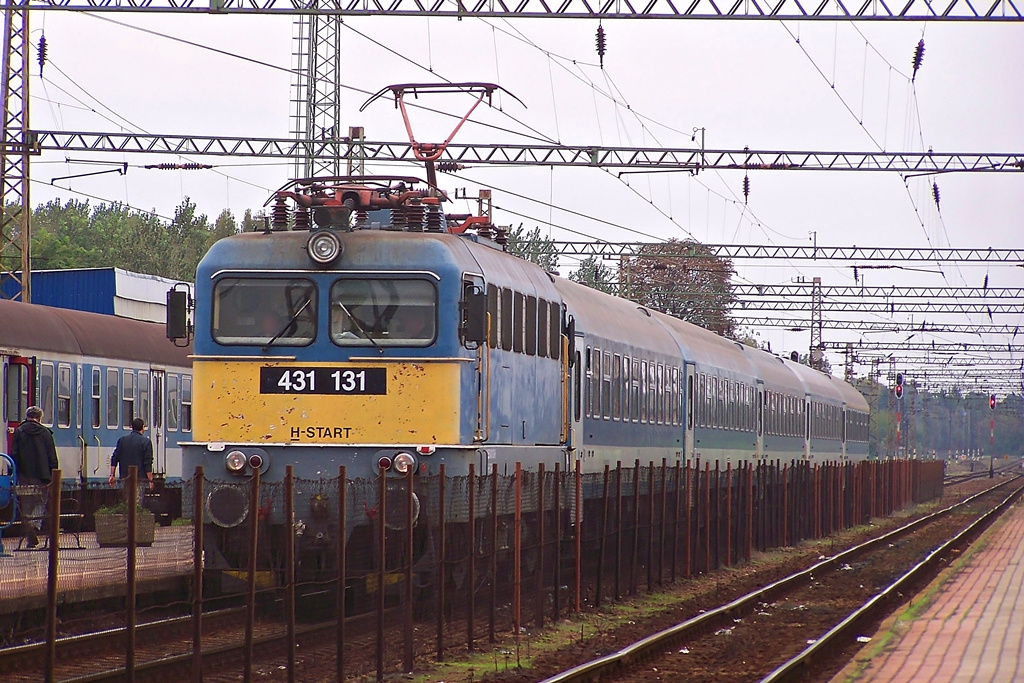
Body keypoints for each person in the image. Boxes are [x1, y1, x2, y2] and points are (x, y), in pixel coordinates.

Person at [10, 406, 58, 548]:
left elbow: (14, 453)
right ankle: (34, 524)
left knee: (26, 503)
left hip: (24, 475)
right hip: (42, 476)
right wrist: (53, 473)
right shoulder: (45, 433)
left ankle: (29, 530)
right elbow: (51, 456)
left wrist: (16, 471)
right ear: (39, 418)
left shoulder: (19, 431)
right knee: (41, 502)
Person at [109, 418, 155, 504]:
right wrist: (150, 480)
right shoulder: (146, 442)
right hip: (139, 478)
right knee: (136, 502)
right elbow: (147, 463)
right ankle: (134, 516)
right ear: (142, 428)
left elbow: (114, 458)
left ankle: (127, 515)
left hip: (125, 477)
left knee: (127, 501)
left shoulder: (122, 440)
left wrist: (112, 475)